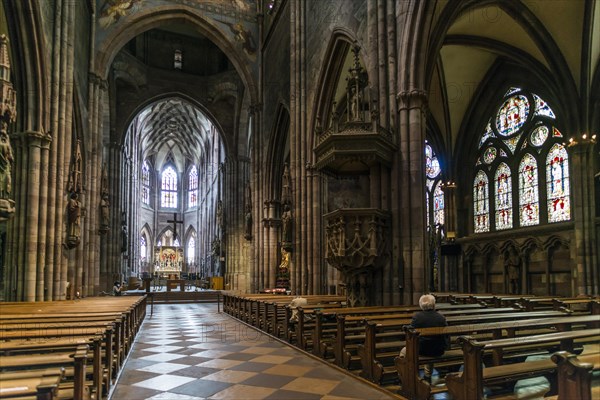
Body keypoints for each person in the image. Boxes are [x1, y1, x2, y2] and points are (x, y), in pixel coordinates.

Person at [399, 294, 448, 381]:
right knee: (431, 344)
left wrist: (405, 328)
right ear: (433, 304)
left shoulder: (417, 317)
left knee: (403, 352)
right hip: (438, 350)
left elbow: (411, 331)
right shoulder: (441, 317)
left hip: (422, 349)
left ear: (421, 305)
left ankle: (404, 375)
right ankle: (427, 376)